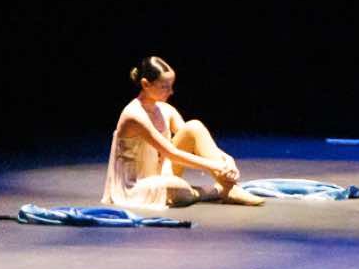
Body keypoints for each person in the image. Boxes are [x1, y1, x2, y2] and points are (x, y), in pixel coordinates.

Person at [103, 56, 264, 208]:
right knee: (176, 188)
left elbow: (195, 138)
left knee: (194, 126)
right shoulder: (134, 115)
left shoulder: (166, 109)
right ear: (145, 84)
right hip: (138, 184)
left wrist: (226, 159)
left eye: (171, 86)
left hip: (161, 172)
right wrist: (217, 166)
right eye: (164, 87)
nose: (171, 91)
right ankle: (219, 191)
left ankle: (230, 188)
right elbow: (171, 153)